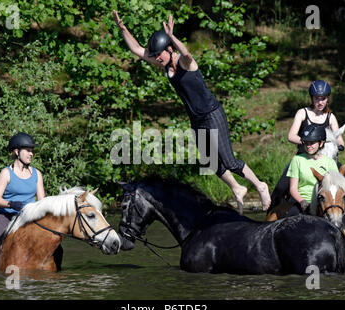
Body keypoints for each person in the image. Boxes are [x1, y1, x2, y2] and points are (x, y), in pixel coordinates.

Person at [112, 11, 271, 213]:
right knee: (209, 161)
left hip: (212, 114)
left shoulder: (185, 63)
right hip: (196, 120)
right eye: (155, 56)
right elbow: (136, 49)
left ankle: (260, 185)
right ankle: (237, 187)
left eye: (159, 54)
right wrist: (123, 28)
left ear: (169, 49)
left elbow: (186, 54)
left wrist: (172, 36)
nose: (156, 59)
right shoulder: (165, 64)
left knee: (229, 160)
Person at [268, 80, 345, 227]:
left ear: (328, 98)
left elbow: (340, 139)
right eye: (316, 98)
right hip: (304, 156)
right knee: (281, 186)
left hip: (327, 158)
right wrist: (309, 142)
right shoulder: (303, 113)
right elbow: (291, 136)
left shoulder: (330, 117)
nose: (320, 102)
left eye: (323, 98)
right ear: (311, 98)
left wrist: (339, 145)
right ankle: (270, 212)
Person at [286, 124, 345, 259]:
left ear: (321, 143)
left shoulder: (329, 162)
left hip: (328, 204)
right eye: (306, 143)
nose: (309, 146)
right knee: (288, 224)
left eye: (312, 143)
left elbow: (336, 187)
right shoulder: (297, 160)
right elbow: (292, 188)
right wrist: (302, 202)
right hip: (303, 202)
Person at [0, 132, 45, 270]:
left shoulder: (37, 173)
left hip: (29, 217)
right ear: (17, 151)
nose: (31, 154)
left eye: (32, 151)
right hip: (6, 215)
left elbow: (41, 200)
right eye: (28, 151)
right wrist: (10, 204)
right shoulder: (6, 173)